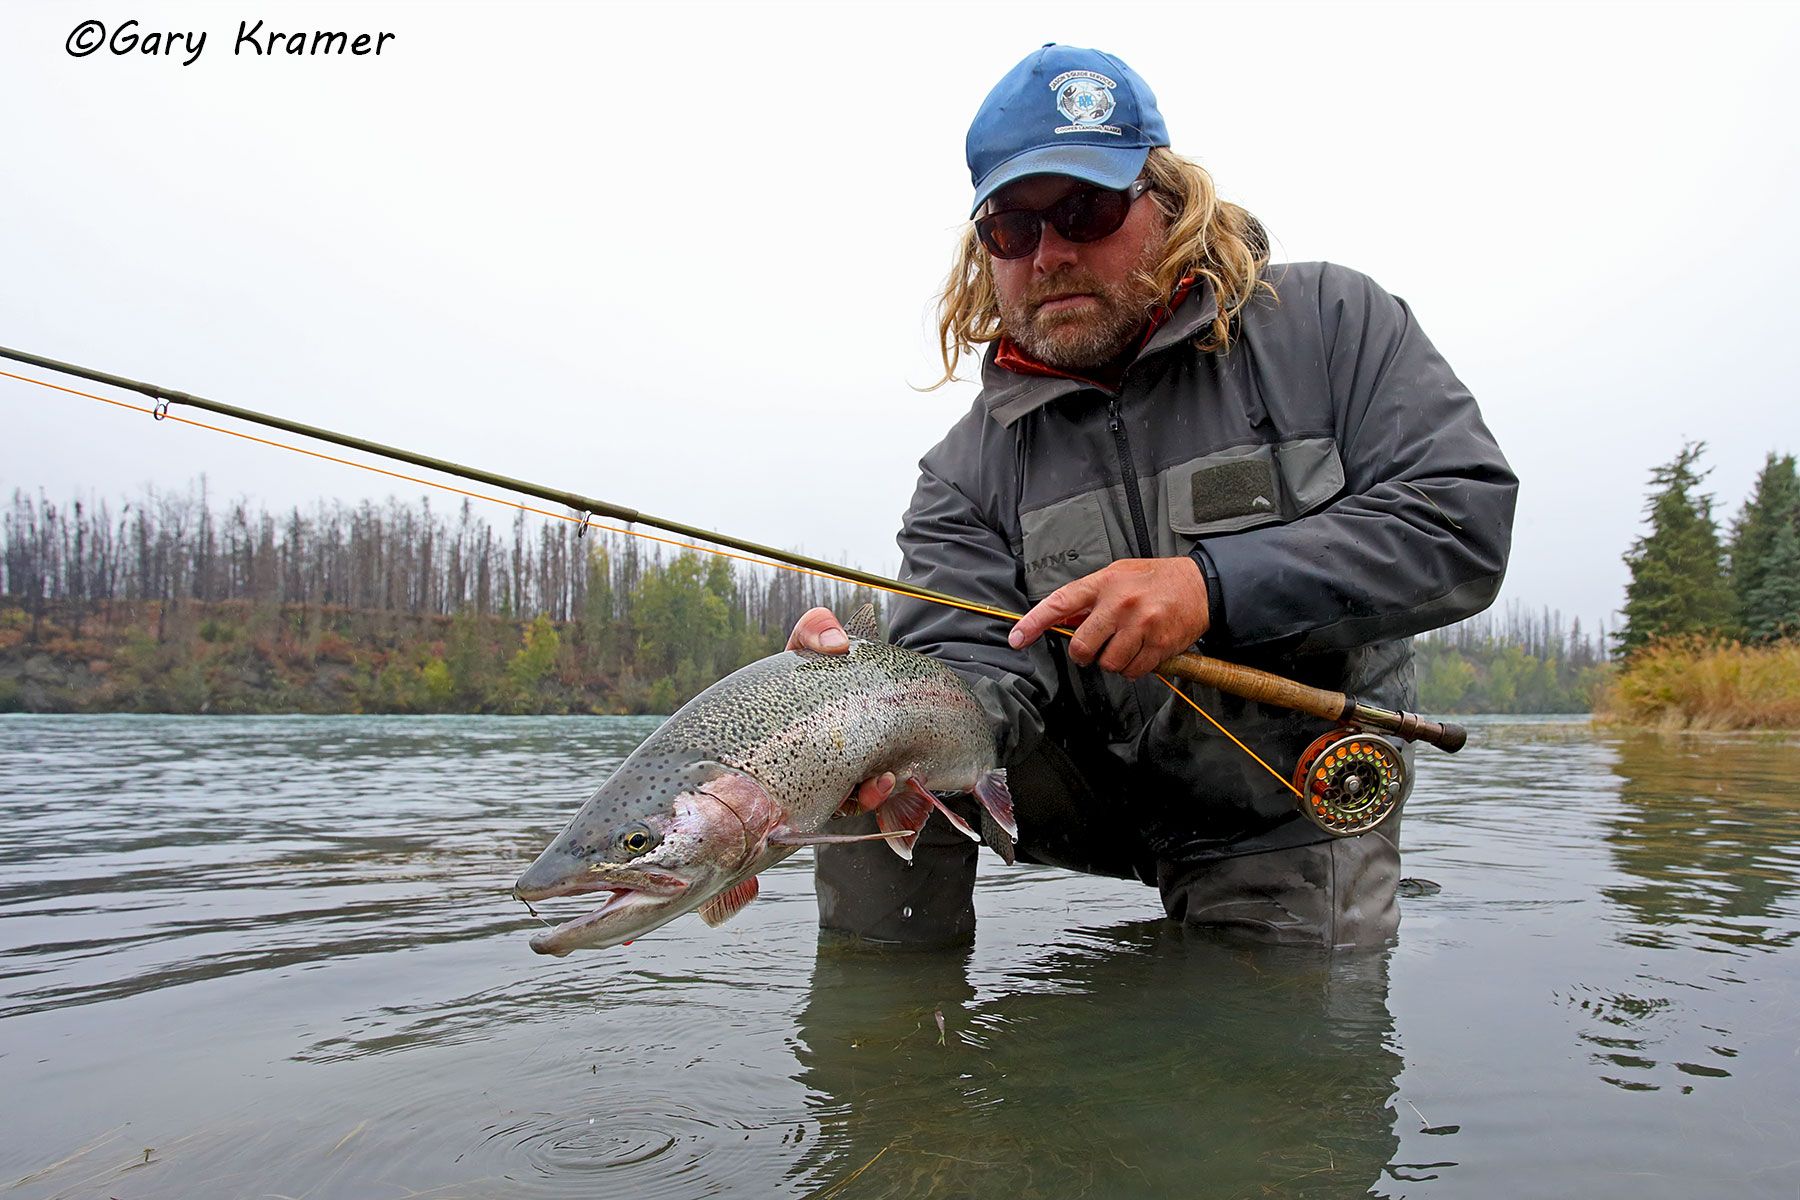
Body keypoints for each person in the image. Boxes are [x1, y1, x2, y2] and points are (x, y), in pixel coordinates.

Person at [789, 44, 1516, 949]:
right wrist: (873, 707)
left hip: (1283, 803)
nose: (1050, 254)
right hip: (1074, 790)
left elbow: (1459, 519)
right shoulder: (964, 468)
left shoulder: (1331, 327)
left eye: (1085, 210)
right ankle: (891, 1066)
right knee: (873, 759)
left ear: (1167, 204)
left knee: (1285, 1066)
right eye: (1013, 230)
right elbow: (974, 663)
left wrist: (1212, 586)